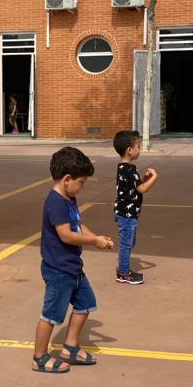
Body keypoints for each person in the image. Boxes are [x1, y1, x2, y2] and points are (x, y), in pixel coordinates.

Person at [32, 147, 114, 374]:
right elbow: (66, 234)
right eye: (82, 181)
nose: (83, 186)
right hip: (58, 270)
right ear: (67, 179)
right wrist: (94, 242)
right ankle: (39, 357)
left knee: (85, 304)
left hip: (72, 267)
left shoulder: (69, 199)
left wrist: (96, 237)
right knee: (50, 315)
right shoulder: (56, 202)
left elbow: (77, 224)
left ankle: (69, 347)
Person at [113, 130, 158, 285]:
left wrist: (143, 178)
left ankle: (123, 267)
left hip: (126, 213)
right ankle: (123, 273)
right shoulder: (129, 169)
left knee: (129, 243)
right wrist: (154, 178)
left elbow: (133, 186)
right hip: (127, 214)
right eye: (138, 146)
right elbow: (142, 189)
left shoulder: (122, 168)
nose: (140, 149)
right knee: (126, 244)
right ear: (130, 150)